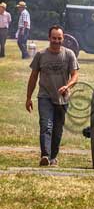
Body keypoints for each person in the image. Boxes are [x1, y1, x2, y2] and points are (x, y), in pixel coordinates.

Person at [26, 25, 79, 166]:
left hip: (62, 98)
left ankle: (53, 157)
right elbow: (33, 77)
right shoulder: (40, 55)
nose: (56, 40)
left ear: (63, 38)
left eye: (59, 38)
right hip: (45, 96)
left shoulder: (69, 54)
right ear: (49, 38)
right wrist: (28, 98)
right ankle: (45, 156)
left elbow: (75, 75)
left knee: (57, 129)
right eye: (54, 38)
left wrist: (67, 86)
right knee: (46, 126)